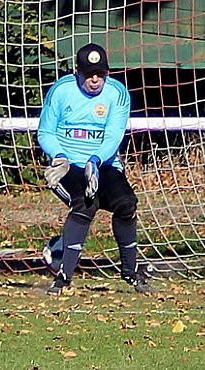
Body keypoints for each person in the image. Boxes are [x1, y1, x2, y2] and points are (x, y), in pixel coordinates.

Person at [38, 43, 151, 295]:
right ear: (77, 71)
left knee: (126, 203)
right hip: (68, 165)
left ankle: (130, 272)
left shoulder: (117, 93)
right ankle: (64, 276)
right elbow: (45, 131)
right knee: (85, 204)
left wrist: (96, 161)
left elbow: (113, 136)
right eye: (89, 74)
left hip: (103, 162)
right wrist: (59, 156)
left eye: (100, 73)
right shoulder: (61, 90)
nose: (95, 80)